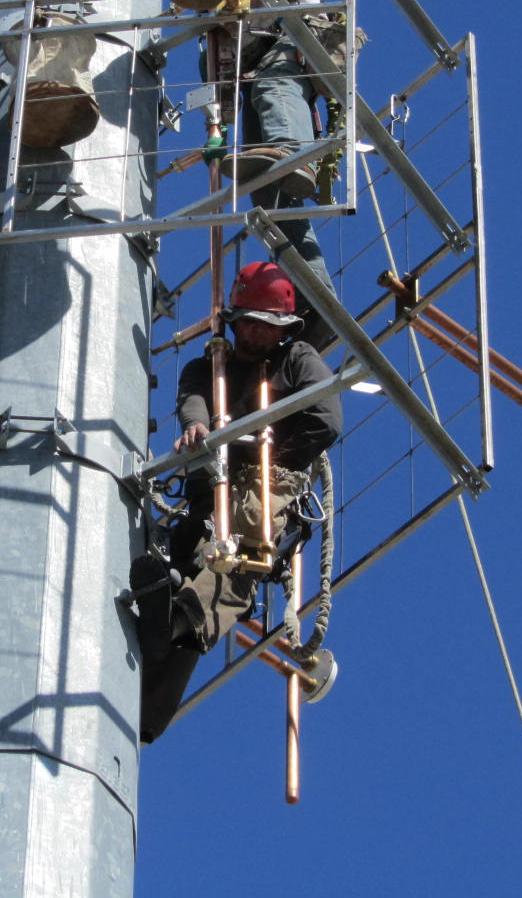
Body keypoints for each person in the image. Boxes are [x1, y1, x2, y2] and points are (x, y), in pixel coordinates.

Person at [131, 261, 342, 743]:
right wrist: (198, 428)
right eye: (248, 322)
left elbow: (325, 417)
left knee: (243, 552)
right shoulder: (209, 366)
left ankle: (179, 621)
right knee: (193, 559)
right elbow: (194, 402)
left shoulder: (298, 358)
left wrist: (275, 455)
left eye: (267, 327)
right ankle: (155, 678)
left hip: (272, 477)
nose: (255, 334)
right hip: (211, 487)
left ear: (283, 328)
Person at [215, 0, 337, 310]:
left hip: (287, 34)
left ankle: (295, 154)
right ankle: (311, 296)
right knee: (269, 200)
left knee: (277, 89)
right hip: (242, 53)